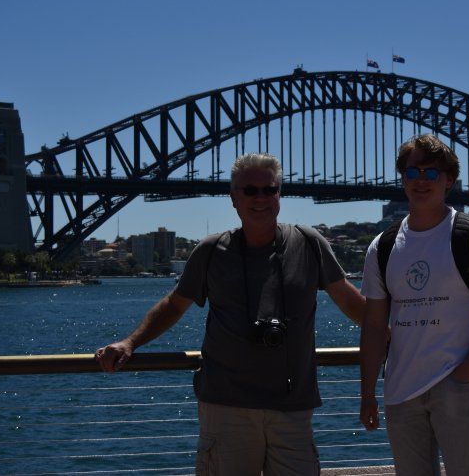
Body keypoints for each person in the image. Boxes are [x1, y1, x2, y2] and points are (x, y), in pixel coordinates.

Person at [95, 153, 366, 476]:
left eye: (270, 189)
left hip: (292, 409)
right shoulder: (211, 250)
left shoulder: (309, 244)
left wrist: (399, 334)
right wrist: (130, 342)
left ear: (280, 194)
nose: (261, 198)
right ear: (234, 198)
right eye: (250, 190)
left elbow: (349, 301)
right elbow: (174, 305)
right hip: (226, 409)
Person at [358, 134, 469, 476]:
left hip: (459, 387)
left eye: (432, 173)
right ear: (401, 177)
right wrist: (367, 392)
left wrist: (464, 374)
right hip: (401, 391)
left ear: (449, 180)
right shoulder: (382, 246)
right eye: (412, 171)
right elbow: (374, 325)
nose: (421, 181)